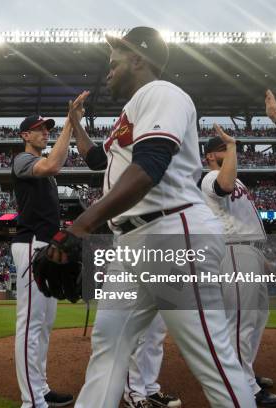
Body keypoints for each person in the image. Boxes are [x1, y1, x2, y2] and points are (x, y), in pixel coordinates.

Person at [54, 26, 255, 407]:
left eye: (114, 64)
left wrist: (81, 225)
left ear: (138, 59)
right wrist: (75, 123)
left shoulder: (162, 93)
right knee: (109, 344)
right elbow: (99, 160)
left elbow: (149, 167)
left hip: (171, 230)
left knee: (211, 357)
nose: (107, 72)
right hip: (132, 242)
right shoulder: (131, 113)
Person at [72, 108, 180, 408]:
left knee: (157, 328)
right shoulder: (118, 151)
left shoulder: (152, 141)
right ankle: (135, 393)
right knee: (130, 328)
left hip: (161, 231)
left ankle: (147, 386)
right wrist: (76, 124)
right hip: (132, 236)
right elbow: (92, 156)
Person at [12, 92, 87, 408]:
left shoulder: (39, 161)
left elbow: (53, 162)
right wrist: (71, 123)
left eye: (47, 129)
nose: (45, 133)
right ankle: (31, 401)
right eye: (39, 129)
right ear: (25, 135)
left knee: (44, 324)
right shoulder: (22, 159)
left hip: (46, 246)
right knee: (30, 324)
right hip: (30, 245)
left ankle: (40, 388)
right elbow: (55, 163)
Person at [201, 125, 276, 407]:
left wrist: (263, 256)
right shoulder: (211, 177)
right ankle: (242, 385)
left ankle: (244, 371)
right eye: (223, 149)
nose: (230, 152)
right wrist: (233, 146)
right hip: (233, 250)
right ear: (210, 156)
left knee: (257, 318)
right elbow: (223, 187)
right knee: (240, 323)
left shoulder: (238, 181)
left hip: (251, 251)